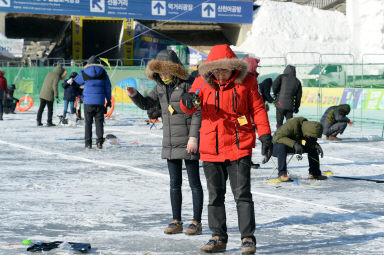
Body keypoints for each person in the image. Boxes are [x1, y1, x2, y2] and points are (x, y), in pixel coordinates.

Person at [180, 44, 273, 254]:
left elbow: (258, 109)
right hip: (211, 147)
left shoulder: (247, 82)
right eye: (216, 70)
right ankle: (218, 237)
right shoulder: (201, 82)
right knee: (215, 196)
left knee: (242, 195)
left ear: (233, 68)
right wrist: (186, 101)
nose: (220, 74)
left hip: (239, 146)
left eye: (224, 69)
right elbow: (187, 106)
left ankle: (248, 238)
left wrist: (266, 136)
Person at [126, 49, 204, 236]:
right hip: (169, 142)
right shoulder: (160, 87)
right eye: (160, 71)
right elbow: (149, 105)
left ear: (175, 69)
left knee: (194, 183)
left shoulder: (188, 85)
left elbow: (198, 112)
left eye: (167, 70)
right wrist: (135, 95)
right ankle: (176, 220)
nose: (163, 74)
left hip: (188, 140)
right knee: (174, 183)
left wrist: (194, 138)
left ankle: (196, 222)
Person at [272, 117, 327, 182]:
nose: (312, 138)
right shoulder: (291, 125)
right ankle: (282, 174)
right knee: (282, 146)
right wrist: (294, 144)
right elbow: (278, 138)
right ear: (308, 133)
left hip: (294, 146)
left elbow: (304, 141)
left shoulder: (306, 128)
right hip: (275, 147)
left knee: (313, 149)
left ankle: (315, 174)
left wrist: (315, 145)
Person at [74, 55, 111, 149]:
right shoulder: (103, 72)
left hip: (88, 102)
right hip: (100, 101)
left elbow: (76, 82)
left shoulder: (84, 72)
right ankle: (99, 142)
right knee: (99, 122)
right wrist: (109, 99)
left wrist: (82, 88)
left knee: (88, 123)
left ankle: (88, 143)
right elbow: (108, 87)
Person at [272, 65, 302, 129]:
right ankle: (288, 136)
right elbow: (298, 97)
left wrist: (276, 93)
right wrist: (296, 107)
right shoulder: (297, 81)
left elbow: (274, 85)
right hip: (290, 106)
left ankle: (279, 136)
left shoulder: (281, 77)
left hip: (280, 104)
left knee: (279, 123)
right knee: (289, 124)